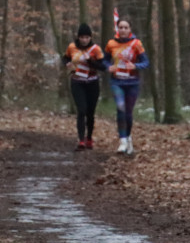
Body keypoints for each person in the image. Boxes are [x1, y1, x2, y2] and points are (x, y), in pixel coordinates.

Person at [102, 18, 148, 155]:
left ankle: (128, 138)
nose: (122, 30)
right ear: (117, 29)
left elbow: (146, 62)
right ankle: (122, 141)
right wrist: (108, 67)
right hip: (117, 82)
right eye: (120, 27)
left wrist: (135, 65)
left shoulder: (136, 44)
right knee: (120, 108)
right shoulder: (111, 44)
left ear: (130, 29)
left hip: (132, 82)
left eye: (125, 27)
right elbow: (104, 60)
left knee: (128, 112)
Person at [61, 23, 104, 150]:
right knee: (81, 110)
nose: (84, 40)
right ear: (78, 37)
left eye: (87, 37)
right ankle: (81, 140)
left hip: (92, 83)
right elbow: (65, 58)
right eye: (82, 37)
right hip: (77, 82)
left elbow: (102, 66)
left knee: (90, 113)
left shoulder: (96, 49)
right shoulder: (72, 47)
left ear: (90, 38)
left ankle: (89, 137)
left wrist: (90, 60)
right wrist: (67, 63)